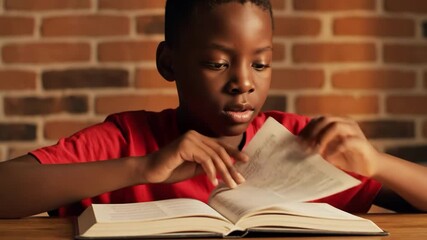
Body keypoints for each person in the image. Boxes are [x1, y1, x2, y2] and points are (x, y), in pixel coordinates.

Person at [0, 0, 426, 219]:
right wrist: (142, 169)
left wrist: (376, 163)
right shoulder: (126, 141)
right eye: (217, 64)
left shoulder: (302, 140)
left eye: (261, 64)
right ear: (169, 62)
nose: (243, 82)